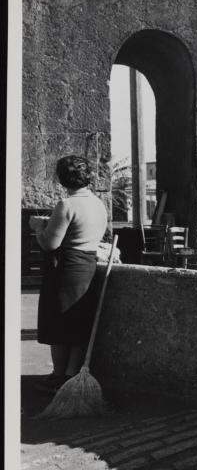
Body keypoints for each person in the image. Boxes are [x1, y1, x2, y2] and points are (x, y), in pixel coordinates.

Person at [29, 155, 108, 393]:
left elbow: (50, 244)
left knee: (58, 323)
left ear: (62, 178)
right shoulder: (98, 203)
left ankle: (58, 374)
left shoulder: (67, 204)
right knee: (77, 323)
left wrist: (38, 228)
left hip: (65, 268)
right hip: (88, 266)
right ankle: (71, 374)